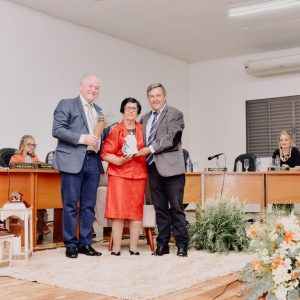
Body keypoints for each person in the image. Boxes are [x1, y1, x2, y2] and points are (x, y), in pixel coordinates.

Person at [52, 74, 106, 258]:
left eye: (97, 87)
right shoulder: (66, 104)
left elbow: (100, 135)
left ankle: (85, 243)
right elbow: (57, 130)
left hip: (92, 161)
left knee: (89, 206)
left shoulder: (99, 111)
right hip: (72, 161)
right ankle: (71, 244)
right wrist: (83, 138)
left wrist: (99, 142)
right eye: (90, 85)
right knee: (70, 204)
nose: (93, 90)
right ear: (81, 86)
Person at [137, 83, 189, 257]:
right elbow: (138, 140)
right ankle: (163, 244)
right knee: (159, 208)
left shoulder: (175, 114)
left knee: (176, 207)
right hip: (152, 168)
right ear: (148, 99)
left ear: (164, 96)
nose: (155, 99)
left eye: (158, 95)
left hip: (172, 169)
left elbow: (172, 138)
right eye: (152, 96)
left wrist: (150, 149)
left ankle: (182, 244)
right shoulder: (144, 118)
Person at [101, 97, 147, 256]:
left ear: (138, 112)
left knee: (136, 211)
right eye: (128, 108)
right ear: (123, 111)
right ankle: (116, 248)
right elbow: (105, 153)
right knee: (118, 211)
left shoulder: (144, 129)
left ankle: (134, 247)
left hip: (139, 174)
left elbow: (149, 148)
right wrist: (119, 160)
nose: (131, 111)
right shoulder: (115, 130)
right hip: (119, 174)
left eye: (134, 109)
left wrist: (144, 151)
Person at [9, 135, 50, 240]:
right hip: (18, 191)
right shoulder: (15, 158)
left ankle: (38, 231)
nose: (32, 147)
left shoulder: (35, 158)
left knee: (40, 201)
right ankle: (42, 229)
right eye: (29, 144)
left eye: (33, 145)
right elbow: (13, 173)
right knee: (31, 201)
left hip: (33, 188)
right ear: (23, 145)